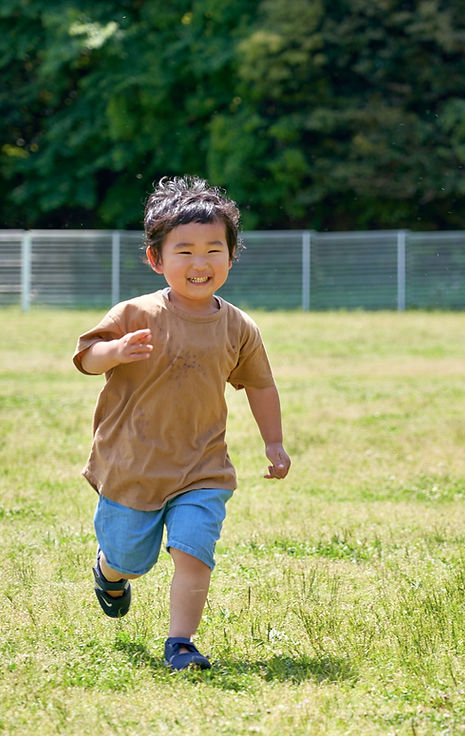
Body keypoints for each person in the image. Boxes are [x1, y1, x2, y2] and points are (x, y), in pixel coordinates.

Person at [73, 175, 291, 671]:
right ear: (157, 259)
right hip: (134, 464)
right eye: (185, 251)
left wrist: (273, 442)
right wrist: (116, 350)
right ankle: (110, 572)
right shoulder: (137, 313)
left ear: (232, 258)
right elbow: (86, 356)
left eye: (214, 250)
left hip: (202, 466)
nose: (200, 263)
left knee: (193, 549)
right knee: (130, 557)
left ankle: (182, 642)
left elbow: (259, 384)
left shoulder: (238, 326)